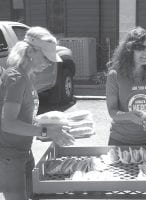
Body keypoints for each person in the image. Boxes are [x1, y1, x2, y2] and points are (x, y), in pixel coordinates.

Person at [0, 26, 75, 200]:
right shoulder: (15, 78)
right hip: (8, 156)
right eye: (46, 57)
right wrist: (45, 131)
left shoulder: (27, 76)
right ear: (30, 52)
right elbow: (8, 123)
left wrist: (47, 124)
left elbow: (24, 117)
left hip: (24, 151)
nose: (49, 63)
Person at [106, 26, 146, 145]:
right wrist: (129, 116)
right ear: (129, 50)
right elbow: (112, 111)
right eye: (140, 48)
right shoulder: (114, 75)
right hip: (120, 140)